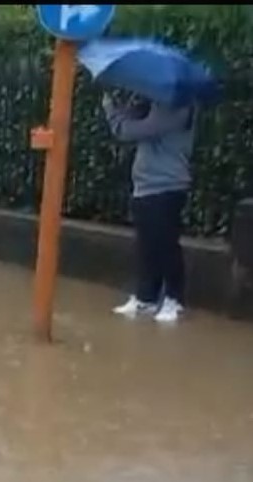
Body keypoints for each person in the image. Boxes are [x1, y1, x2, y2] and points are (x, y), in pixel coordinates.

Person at [103, 92, 196, 323]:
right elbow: (133, 120)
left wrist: (110, 110)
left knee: (165, 244)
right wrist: (127, 107)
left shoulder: (180, 106)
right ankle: (146, 297)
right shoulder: (155, 104)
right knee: (146, 245)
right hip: (144, 185)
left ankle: (175, 299)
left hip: (168, 185)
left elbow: (131, 130)